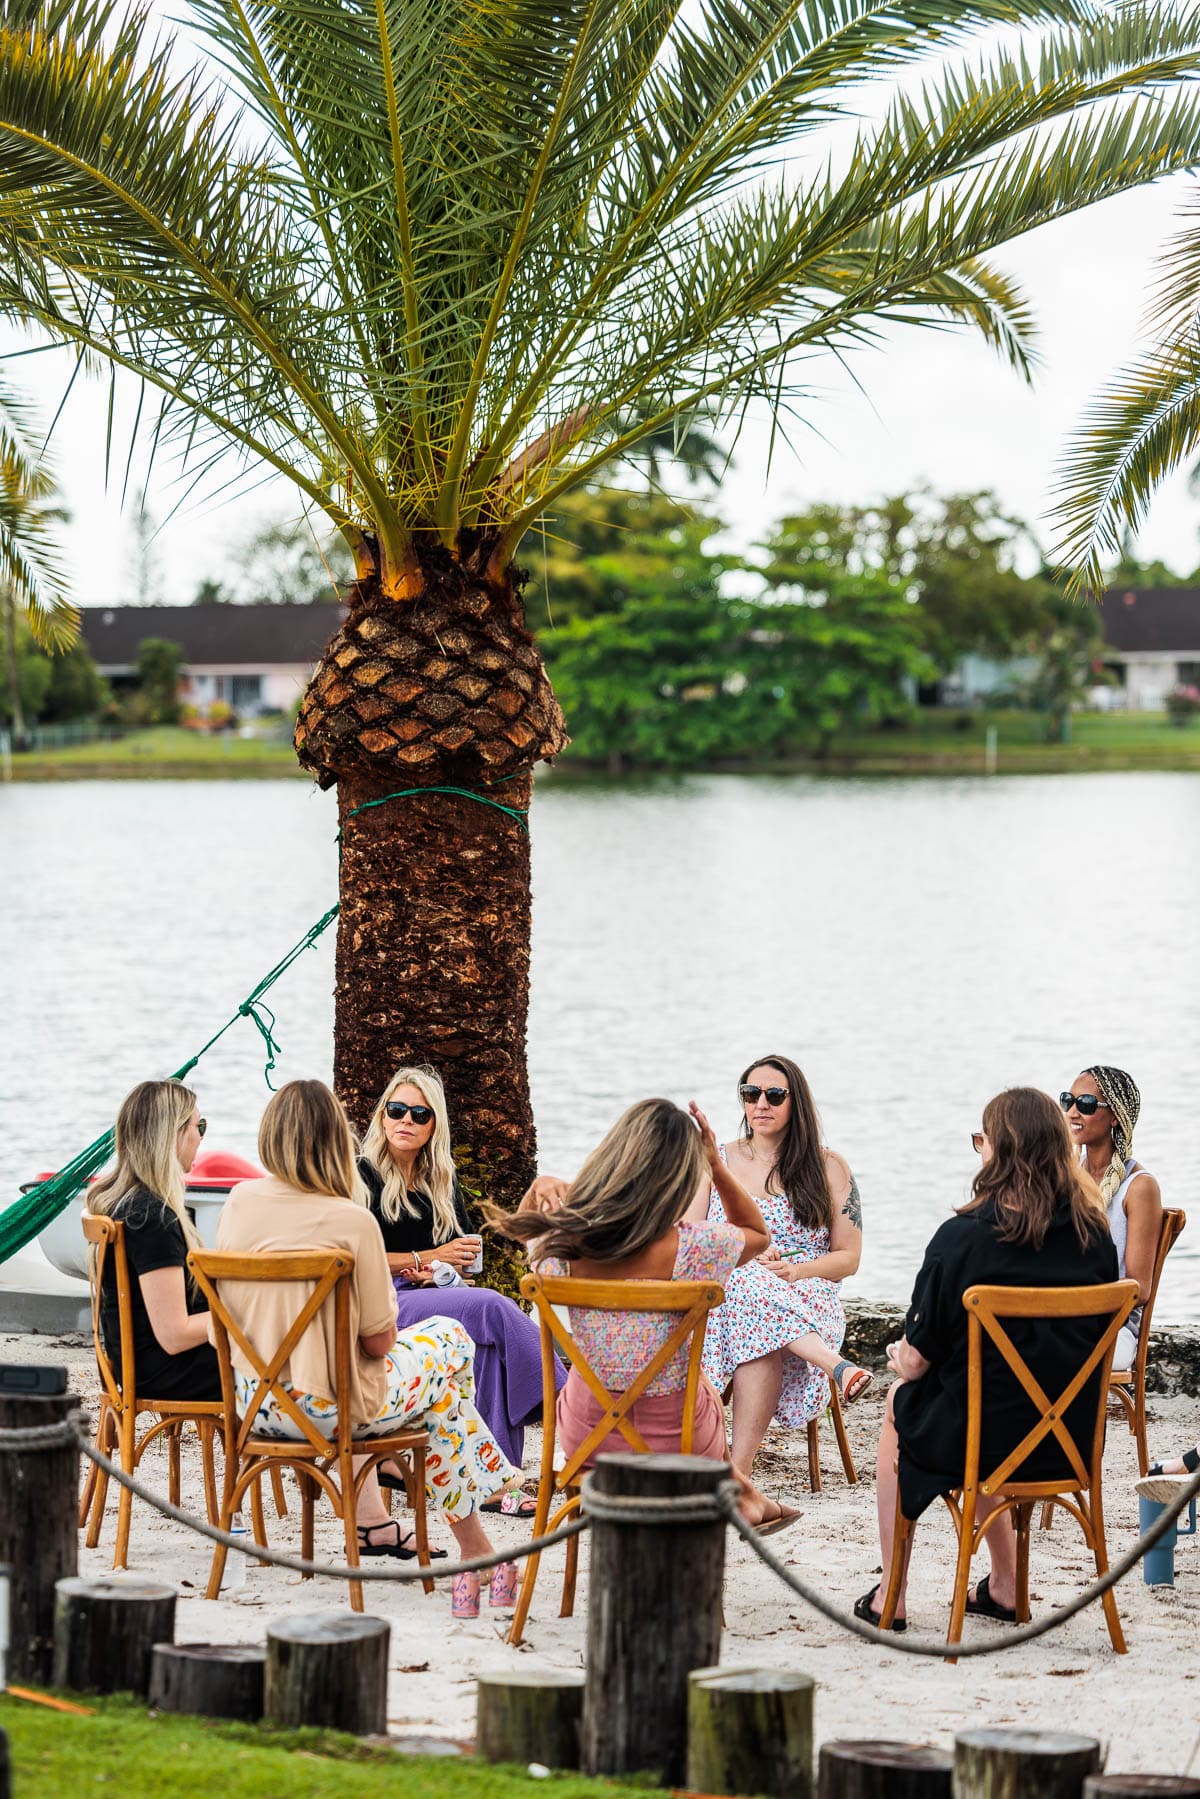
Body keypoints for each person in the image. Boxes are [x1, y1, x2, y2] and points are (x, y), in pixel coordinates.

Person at [215, 1079, 525, 1616]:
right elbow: (381, 1341)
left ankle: (475, 1551)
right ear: (339, 1140)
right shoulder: (352, 1220)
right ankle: (478, 1520)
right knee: (449, 1345)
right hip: (331, 1410)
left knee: (441, 1399)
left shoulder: (239, 1203)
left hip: (252, 1406)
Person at [856, 1087, 1118, 1632]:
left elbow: (920, 1361)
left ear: (998, 1152)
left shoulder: (962, 1239)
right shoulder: (1096, 1239)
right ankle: (1003, 1586)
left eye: (983, 1140)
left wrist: (904, 1360)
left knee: (901, 1401)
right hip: (1067, 1438)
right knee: (987, 1399)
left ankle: (894, 1592)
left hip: (983, 1438)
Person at [491, 1095, 798, 1531]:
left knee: (686, 1375)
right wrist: (716, 1165)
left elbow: (522, 1237)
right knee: (694, 1379)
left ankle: (745, 1494)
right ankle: (741, 1490)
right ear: (678, 1177)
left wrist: (537, 1189)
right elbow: (757, 1234)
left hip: (587, 1437)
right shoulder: (694, 1246)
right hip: (677, 1440)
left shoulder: (563, 1247)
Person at [358, 1064, 563, 1504]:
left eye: (419, 1114)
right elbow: (354, 1259)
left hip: (430, 1294)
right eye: (396, 1110)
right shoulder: (362, 1175)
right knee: (490, 1308)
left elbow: (465, 1260)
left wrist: (443, 1269)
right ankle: (573, 1402)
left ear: (435, 1125)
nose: (405, 1121)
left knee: (487, 1346)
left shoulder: (441, 1181)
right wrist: (425, 1258)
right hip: (381, 1300)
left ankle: (495, 1480)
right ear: (381, 1116)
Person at [687, 1055, 867, 1475]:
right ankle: (833, 1366)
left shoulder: (828, 1166)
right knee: (746, 1285)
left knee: (756, 1319)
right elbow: (692, 1237)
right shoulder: (716, 1160)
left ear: (795, 1102)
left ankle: (735, 1468)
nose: (760, 1104)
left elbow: (849, 1258)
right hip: (728, 1294)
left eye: (774, 1094)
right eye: (750, 1094)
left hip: (806, 1292)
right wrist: (743, 1250)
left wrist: (795, 1271)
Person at [88, 1079, 221, 1401]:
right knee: (289, 1357)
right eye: (197, 1125)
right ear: (172, 1135)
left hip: (144, 1364)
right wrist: (239, 1315)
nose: (201, 1136)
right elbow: (175, 1335)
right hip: (168, 1372)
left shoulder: (128, 1204)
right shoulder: (151, 1218)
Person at [1062, 1065, 1161, 1373]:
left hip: (1113, 1330)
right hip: (1062, 1318)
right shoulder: (1065, 1177)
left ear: (1115, 1115)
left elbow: (1139, 1289)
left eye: (1087, 1104)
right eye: (1068, 1101)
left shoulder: (1140, 1187)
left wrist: (1077, 1304)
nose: (1073, 1112)